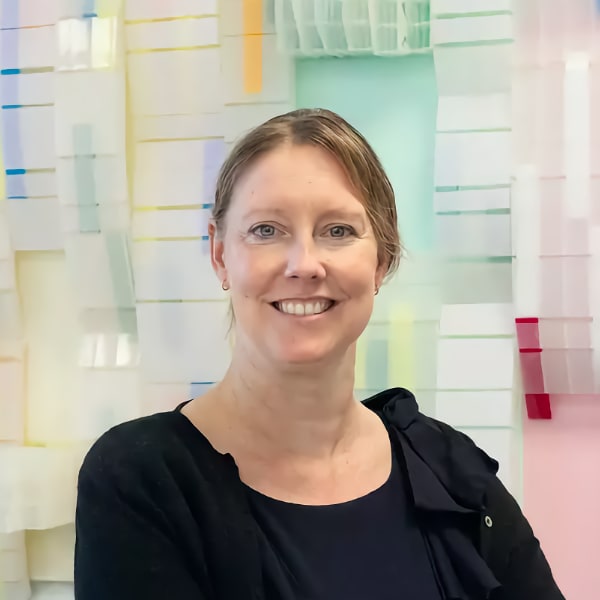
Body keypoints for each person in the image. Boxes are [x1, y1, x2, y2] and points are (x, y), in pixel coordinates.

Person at [74, 108, 564, 600]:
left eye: (338, 231)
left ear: (381, 261)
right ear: (220, 255)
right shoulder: (141, 482)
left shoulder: (449, 470)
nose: (304, 264)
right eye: (266, 230)